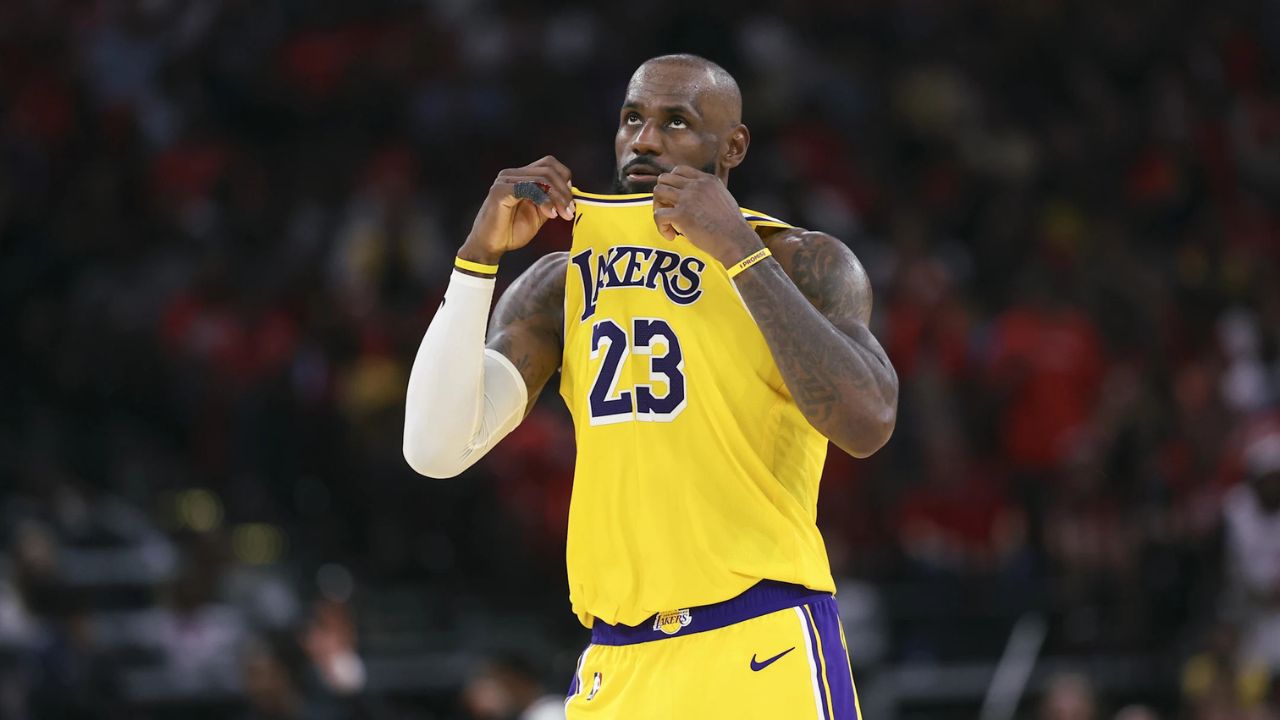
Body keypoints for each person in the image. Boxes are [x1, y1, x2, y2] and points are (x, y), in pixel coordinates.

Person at [404, 53, 898, 718]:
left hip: (760, 642)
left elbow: (868, 422)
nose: (644, 139)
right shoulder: (562, 280)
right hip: (619, 662)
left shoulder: (797, 260)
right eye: (632, 118)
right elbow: (434, 449)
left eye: (677, 123)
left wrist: (735, 249)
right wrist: (478, 259)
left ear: (734, 145)